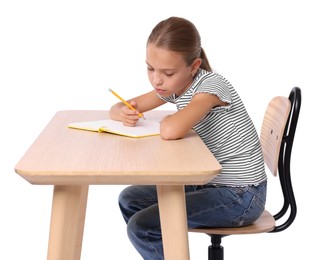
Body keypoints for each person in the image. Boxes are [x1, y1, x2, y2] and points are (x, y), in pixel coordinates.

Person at [109, 16, 267, 260]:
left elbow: (171, 130)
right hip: (210, 183)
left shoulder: (210, 87)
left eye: (167, 72)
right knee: (130, 200)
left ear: (194, 67)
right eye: (150, 68)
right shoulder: (175, 85)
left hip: (242, 196)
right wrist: (123, 113)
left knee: (143, 227)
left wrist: (169, 121)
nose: (157, 80)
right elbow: (121, 105)